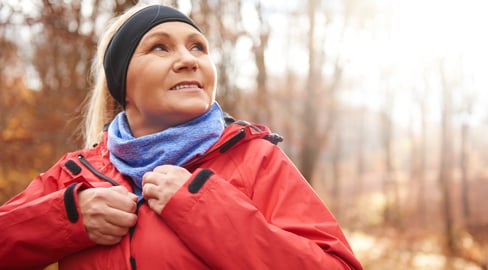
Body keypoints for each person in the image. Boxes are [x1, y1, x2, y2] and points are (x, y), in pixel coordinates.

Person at [0, 4, 363, 270]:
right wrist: (67, 219)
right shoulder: (75, 175)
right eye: (160, 47)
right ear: (123, 84)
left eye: (198, 47)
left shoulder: (256, 160)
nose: (189, 60)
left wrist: (203, 209)